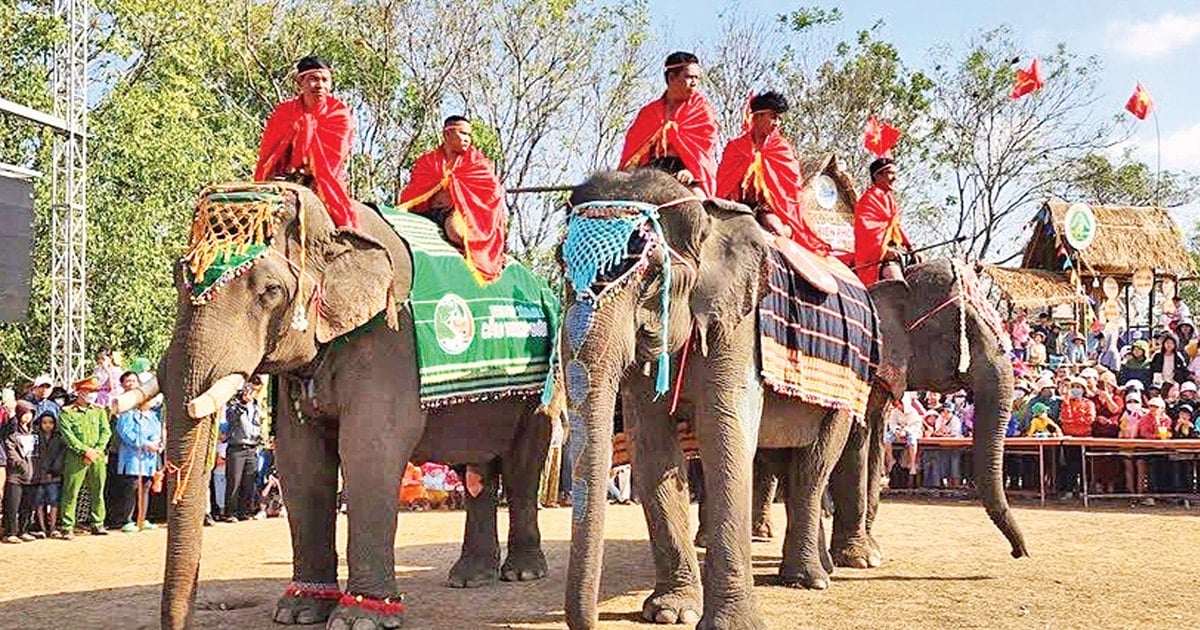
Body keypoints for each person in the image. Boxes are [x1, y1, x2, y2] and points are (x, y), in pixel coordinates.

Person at [714, 91, 830, 253]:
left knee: (777, 230)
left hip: (767, 207)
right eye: (773, 117)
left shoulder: (782, 149)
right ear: (758, 117)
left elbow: (790, 190)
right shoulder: (735, 148)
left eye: (779, 118)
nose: (777, 123)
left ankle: (789, 238)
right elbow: (724, 183)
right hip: (737, 205)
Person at [397, 115, 508, 282]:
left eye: (469, 135)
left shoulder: (478, 164)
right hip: (427, 212)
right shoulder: (428, 161)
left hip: (456, 212)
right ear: (447, 134)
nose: (467, 139)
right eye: (462, 133)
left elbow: (492, 194)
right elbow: (414, 191)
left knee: (455, 232)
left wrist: (458, 195)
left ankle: (483, 260)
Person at [255, 56, 356, 228]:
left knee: (341, 221)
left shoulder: (339, 114)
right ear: (299, 82)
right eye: (314, 79)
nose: (320, 86)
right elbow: (269, 153)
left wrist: (306, 171)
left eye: (325, 80)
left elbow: (333, 158)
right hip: (283, 178)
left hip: (323, 181)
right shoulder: (284, 112)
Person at [620, 51, 719, 196]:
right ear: (672, 77)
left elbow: (703, 151)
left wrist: (690, 171)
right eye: (689, 77)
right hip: (649, 172)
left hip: (685, 173)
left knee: (699, 200)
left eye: (697, 78)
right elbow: (633, 152)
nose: (694, 83)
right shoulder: (649, 112)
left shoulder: (702, 110)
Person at [58, 377, 111, 538]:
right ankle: (67, 526)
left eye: (95, 391)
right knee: (71, 491)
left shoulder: (99, 410)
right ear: (80, 392)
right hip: (76, 457)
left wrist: (97, 450)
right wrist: (85, 451)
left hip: (97, 456)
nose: (93, 395)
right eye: (90, 391)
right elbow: (67, 436)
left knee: (98, 490)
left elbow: (106, 431)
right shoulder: (67, 412)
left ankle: (97, 523)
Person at [852, 157, 913, 285]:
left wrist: (910, 246)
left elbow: (895, 226)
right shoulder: (867, 200)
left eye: (896, 174)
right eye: (890, 173)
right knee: (898, 286)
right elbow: (866, 232)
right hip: (877, 258)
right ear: (877, 176)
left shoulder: (890, 200)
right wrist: (884, 251)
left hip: (896, 250)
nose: (895, 178)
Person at [114, 393, 162, 532]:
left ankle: (142, 518)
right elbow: (126, 433)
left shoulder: (153, 417)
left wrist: (158, 444)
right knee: (132, 487)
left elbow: (158, 433)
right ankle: (127, 519)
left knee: (146, 486)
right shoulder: (127, 415)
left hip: (149, 458)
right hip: (133, 457)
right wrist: (144, 444)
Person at [223, 382, 262, 521]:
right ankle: (230, 513)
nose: (250, 394)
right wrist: (242, 404)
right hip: (237, 447)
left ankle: (245, 511)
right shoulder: (234, 405)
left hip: (252, 447)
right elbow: (231, 418)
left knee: (249, 481)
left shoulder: (257, 405)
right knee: (234, 481)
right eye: (248, 391)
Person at [3, 401, 38, 542]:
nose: (27, 417)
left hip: (31, 474)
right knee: (12, 506)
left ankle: (24, 530)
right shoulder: (12, 431)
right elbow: (10, 449)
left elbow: (37, 452)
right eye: (24, 413)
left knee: (27, 505)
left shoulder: (34, 432)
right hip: (15, 475)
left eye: (30, 413)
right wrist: (20, 463)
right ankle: (10, 533)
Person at [31, 412, 64, 538]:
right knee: (39, 502)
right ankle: (42, 528)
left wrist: (54, 471)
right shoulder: (36, 438)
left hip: (54, 476)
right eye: (44, 422)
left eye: (50, 422)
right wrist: (39, 472)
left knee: (54, 502)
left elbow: (60, 457)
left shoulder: (59, 438)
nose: (47, 425)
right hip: (38, 475)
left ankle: (53, 527)